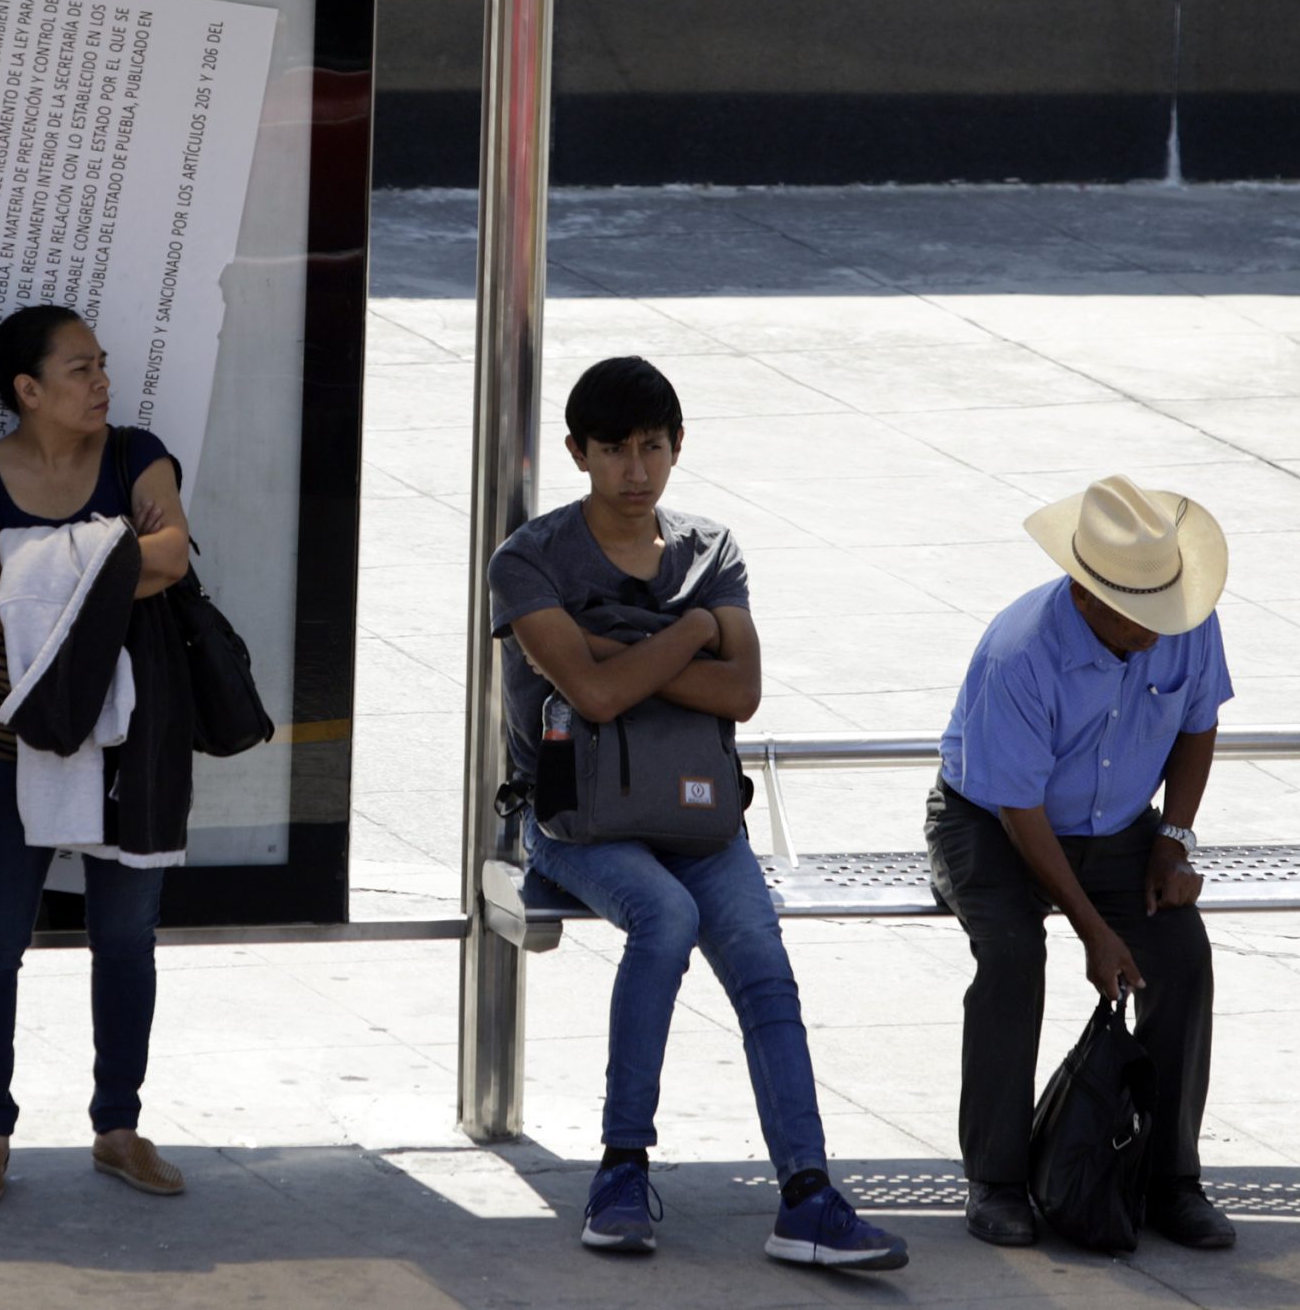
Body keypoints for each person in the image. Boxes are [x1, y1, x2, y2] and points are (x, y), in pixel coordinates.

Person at [489, 356, 908, 1272]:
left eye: (652, 448)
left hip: (701, 818)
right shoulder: (529, 559)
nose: (635, 472)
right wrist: (686, 632)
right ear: (577, 453)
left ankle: (806, 1194)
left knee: (764, 963)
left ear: (678, 448)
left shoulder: (712, 548)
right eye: (613, 451)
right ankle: (622, 1168)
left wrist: (621, 642)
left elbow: (743, 689)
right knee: (666, 917)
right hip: (574, 826)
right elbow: (592, 698)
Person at [926, 474, 1237, 1252]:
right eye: (1139, 618)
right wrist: (1094, 929)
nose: (1156, 633)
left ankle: (1172, 1179)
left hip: (1126, 822)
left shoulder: (1187, 621)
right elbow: (1019, 810)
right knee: (1011, 954)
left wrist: (1176, 838)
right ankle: (996, 1177)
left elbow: (1199, 723)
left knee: (1181, 956)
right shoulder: (1020, 653)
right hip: (995, 821)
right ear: (1085, 593)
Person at [0, 305, 195, 1207]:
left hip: (131, 738)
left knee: (125, 935)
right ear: (28, 390)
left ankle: (117, 1125)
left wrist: (53, 561)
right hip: (4, 737)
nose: (101, 382)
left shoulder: (136, 453)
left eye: (104, 363)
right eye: (80, 369)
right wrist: (119, 553)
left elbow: (178, 556)